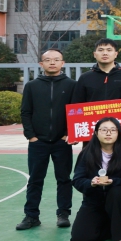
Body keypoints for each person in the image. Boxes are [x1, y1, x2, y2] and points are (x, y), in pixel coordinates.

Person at [17, 49, 76, 231]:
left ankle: (63, 214)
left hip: (62, 141)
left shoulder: (72, 85)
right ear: (41, 64)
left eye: (56, 59)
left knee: (64, 179)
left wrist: (68, 133)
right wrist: (31, 136)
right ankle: (31, 216)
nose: (52, 62)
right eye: (48, 60)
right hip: (38, 142)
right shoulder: (32, 86)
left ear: (62, 63)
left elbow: (75, 111)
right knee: (35, 179)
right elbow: (26, 112)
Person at [70, 118, 121, 241]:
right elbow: (77, 180)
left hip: (117, 201)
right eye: (104, 130)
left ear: (118, 133)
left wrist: (114, 181)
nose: (108, 133)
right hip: (93, 201)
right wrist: (91, 183)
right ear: (96, 133)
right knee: (79, 239)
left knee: (118, 192)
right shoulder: (86, 153)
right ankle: (108, 227)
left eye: (113, 130)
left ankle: (120, 235)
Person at [71, 38, 121, 105]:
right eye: (100, 50)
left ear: (116, 54)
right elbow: (76, 105)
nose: (105, 53)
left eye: (109, 50)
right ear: (94, 54)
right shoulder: (85, 78)